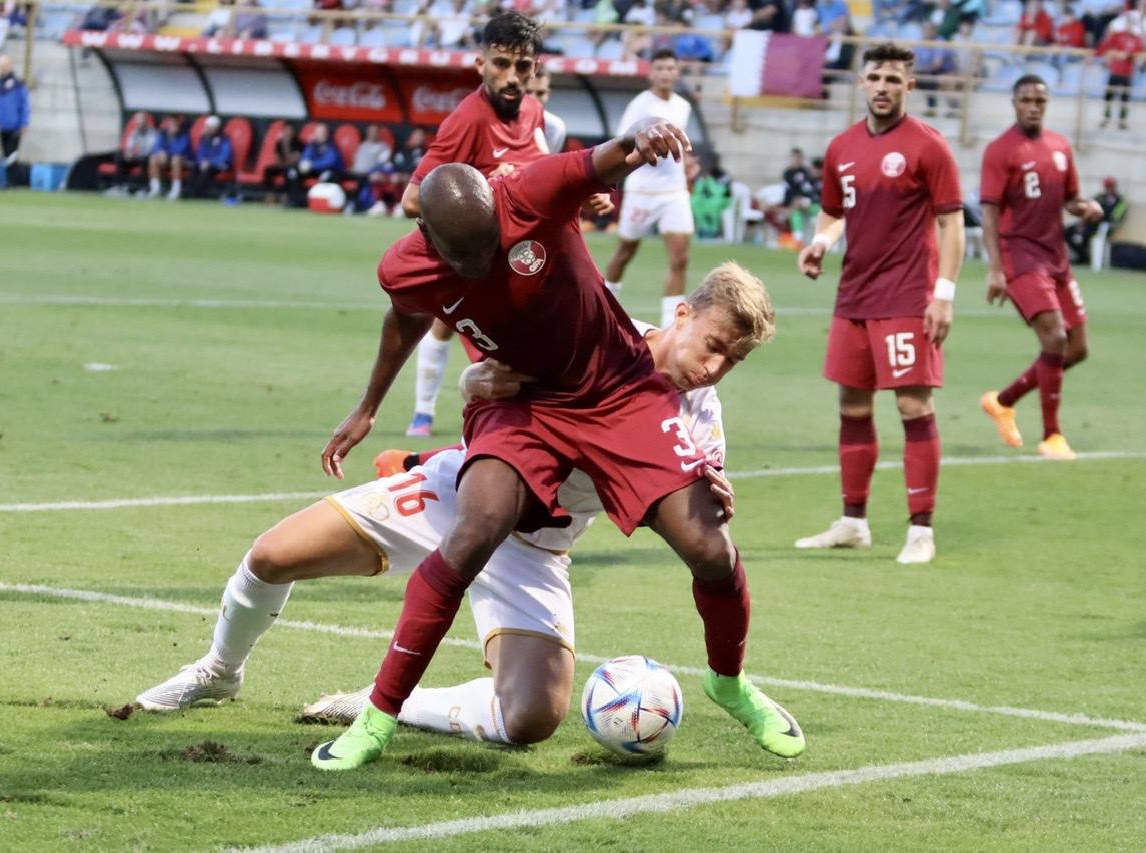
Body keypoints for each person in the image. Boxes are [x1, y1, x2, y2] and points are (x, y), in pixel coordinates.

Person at [312, 126, 805, 771]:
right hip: (527, 403)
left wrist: (641, 143)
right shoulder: (405, 264)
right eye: (464, 257)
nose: (479, 263)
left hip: (614, 393)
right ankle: (376, 718)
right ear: (429, 238)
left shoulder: (532, 192)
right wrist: (372, 403)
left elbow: (604, 159)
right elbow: (405, 314)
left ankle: (730, 682)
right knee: (477, 527)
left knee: (711, 548)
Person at [135, 266, 769, 752]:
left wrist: (710, 503)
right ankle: (219, 671)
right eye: (712, 345)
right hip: (458, 496)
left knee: (529, 720)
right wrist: (473, 381)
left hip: (538, 547)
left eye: (733, 362)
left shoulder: (701, 415)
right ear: (680, 314)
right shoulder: (592, 333)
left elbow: (688, 501)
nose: (714, 368)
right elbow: (492, 363)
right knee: (273, 556)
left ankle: (391, 704)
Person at [794, 42, 965, 565]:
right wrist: (820, 243)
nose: (884, 87)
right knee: (852, 408)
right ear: (861, 83)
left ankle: (920, 530)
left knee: (914, 408)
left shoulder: (928, 146)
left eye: (894, 79)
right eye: (875, 77)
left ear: (910, 86)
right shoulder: (841, 147)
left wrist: (943, 295)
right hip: (855, 296)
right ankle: (853, 522)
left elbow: (952, 223)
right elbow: (833, 213)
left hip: (909, 298)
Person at [400, 11, 551, 440]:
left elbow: (533, 184)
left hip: (525, 262)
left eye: (522, 66)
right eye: (501, 64)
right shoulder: (468, 119)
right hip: (482, 269)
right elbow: (413, 200)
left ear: (534, 68)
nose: (511, 76)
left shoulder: (535, 113)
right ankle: (429, 422)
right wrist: (486, 187)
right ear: (480, 64)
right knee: (505, 375)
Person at [978, 76, 1104, 461]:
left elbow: (1070, 199)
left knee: (1078, 348)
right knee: (1054, 340)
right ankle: (1052, 436)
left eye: (1040, 101)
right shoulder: (1001, 151)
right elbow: (989, 214)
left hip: (1056, 258)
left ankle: (1003, 401)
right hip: (1020, 257)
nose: (1033, 106)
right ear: (1014, 103)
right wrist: (996, 269)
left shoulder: (1060, 146)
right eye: (1026, 100)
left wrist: (1087, 208)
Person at [603, 49, 696, 328]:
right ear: (651, 73)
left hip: (674, 192)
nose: (666, 73)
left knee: (680, 258)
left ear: (677, 72)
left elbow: (680, 143)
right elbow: (623, 141)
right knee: (625, 252)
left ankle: (672, 326)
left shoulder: (683, 106)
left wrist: (688, 162)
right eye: (660, 68)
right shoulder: (640, 105)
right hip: (643, 191)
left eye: (670, 68)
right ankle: (606, 303)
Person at [1065, 175, 1126, 263]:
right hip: (1090, 221)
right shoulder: (1100, 197)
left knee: (1086, 234)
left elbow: (1115, 217)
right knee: (1068, 231)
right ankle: (1078, 254)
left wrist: (1098, 216)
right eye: (1107, 186)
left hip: (1102, 225)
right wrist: (1082, 221)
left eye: (1110, 186)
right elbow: (1088, 207)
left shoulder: (1120, 200)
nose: (1108, 189)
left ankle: (1083, 258)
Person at [1096, 25, 1144, 130]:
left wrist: (1128, 55)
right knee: (1109, 96)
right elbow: (1106, 47)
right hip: (1115, 71)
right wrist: (1112, 55)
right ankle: (1106, 118)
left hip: (1127, 73)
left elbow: (1140, 55)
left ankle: (1122, 121)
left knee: (1125, 98)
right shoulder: (1117, 36)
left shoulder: (1137, 39)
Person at [0, 54, 28, 179]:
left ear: (10, 66)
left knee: (12, 153)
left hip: (15, 125)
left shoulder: (18, 84)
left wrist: (24, 122)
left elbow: (24, 104)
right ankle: (8, 179)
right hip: (2, 125)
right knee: (5, 153)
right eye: (0, 66)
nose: (2, 68)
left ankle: (12, 180)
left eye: (4, 66)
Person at [290, 122, 345, 208]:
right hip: (313, 171)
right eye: (318, 132)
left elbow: (329, 162)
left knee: (327, 176)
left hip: (329, 171)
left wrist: (312, 165)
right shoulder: (312, 145)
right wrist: (304, 163)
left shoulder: (331, 145)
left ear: (327, 133)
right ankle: (298, 201)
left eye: (323, 132)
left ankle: (320, 203)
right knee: (293, 172)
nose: (320, 134)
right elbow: (306, 156)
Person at [190, 115, 235, 199]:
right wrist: (202, 161)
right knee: (194, 168)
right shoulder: (204, 138)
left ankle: (199, 193)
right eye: (207, 127)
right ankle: (191, 192)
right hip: (206, 163)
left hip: (222, 165)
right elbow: (200, 153)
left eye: (210, 127)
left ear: (217, 128)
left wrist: (210, 162)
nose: (207, 129)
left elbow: (225, 156)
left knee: (208, 170)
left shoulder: (224, 139)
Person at [147, 115, 190, 199]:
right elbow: (156, 147)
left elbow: (181, 150)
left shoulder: (184, 135)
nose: (172, 127)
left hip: (183, 160)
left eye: (175, 125)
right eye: (171, 125)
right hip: (166, 159)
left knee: (176, 159)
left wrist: (166, 153)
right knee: (153, 158)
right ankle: (156, 189)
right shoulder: (163, 134)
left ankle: (176, 190)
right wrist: (160, 152)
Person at [527, 66, 567, 154]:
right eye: (527, 92)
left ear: (548, 94)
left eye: (540, 93)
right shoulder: (498, 120)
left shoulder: (555, 127)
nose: (533, 98)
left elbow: (545, 163)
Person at [115, 112, 158, 193]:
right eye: (137, 123)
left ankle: (143, 187)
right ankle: (119, 186)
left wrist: (136, 153)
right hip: (136, 156)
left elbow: (150, 149)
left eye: (141, 123)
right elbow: (129, 146)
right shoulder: (135, 132)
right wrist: (128, 152)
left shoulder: (152, 132)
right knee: (119, 156)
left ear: (145, 122)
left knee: (145, 159)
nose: (139, 125)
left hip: (146, 157)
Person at [262, 122, 301, 205]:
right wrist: (282, 160)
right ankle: (270, 194)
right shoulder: (279, 143)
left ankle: (285, 196)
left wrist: (286, 150)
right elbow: (277, 158)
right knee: (268, 170)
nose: (288, 132)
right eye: (286, 130)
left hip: (291, 167)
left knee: (288, 172)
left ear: (293, 132)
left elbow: (295, 159)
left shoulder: (298, 143)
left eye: (289, 130)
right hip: (281, 165)